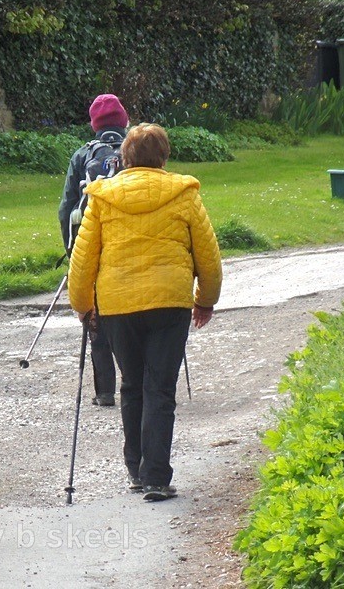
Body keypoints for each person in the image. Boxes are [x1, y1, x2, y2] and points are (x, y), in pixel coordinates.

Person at [67, 123, 222, 502]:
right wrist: (205, 299)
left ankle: (136, 469)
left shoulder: (102, 197)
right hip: (170, 302)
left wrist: (84, 306)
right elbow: (208, 256)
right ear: (164, 158)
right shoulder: (184, 193)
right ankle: (155, 476)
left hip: (118, 304)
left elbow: (82, 260)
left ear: (124, 158)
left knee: (132, 384)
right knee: (160, 388)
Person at [58, 94, 129, 407]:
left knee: (96, 313)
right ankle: (135, 381)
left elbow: (67, 208)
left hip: (94, 242)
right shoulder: (138, 148)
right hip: (130, 242)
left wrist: (71, 250)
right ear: (124, 121)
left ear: (94, 124)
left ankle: (104, 392)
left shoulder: (83, 154)